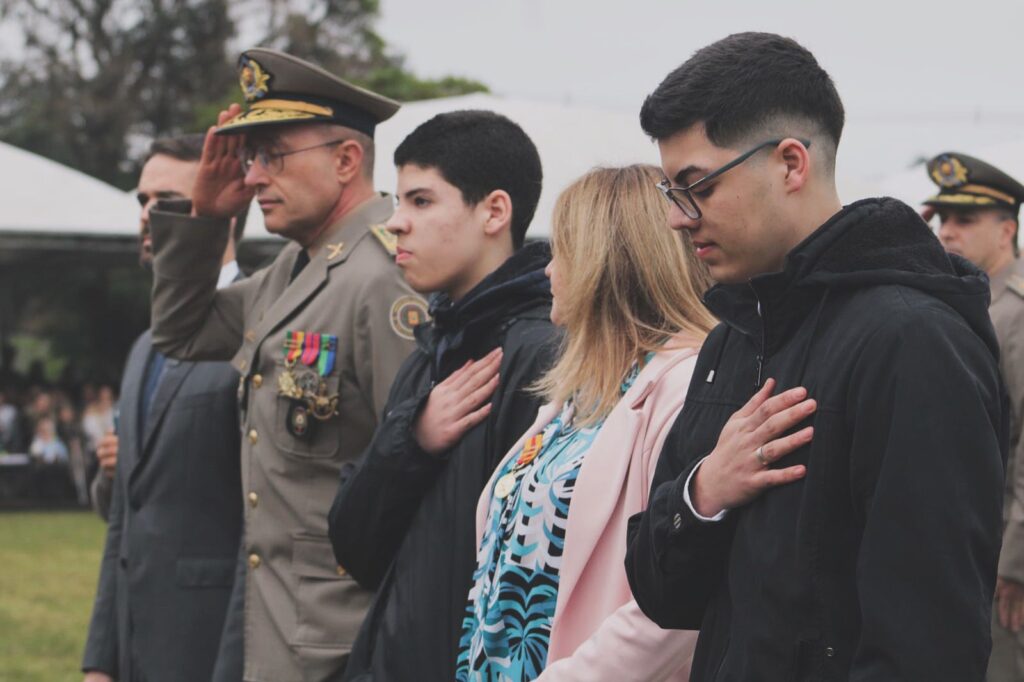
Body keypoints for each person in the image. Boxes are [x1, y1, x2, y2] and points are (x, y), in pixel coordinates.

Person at [624, 32, 1007, 681]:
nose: (677, 219)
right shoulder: (733, 339)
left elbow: (926, 646)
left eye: (697, 187)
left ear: (791, 164)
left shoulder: (911, 341)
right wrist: (703, 491)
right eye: (670, 192)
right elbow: (665, 596)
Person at [147, 48, 425, 682]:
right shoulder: (296, 268)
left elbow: (415, 480)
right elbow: (182, 331)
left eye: (272, 155)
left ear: (346, 160)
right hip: (281, 633)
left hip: (347, 640)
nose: (251, 178)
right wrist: (209, 219)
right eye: (249, 158)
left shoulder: (383, 276)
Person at [455, 165, 715, 681]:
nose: (548, 271)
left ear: (608, 261)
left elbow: (679, 596)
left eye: (562, 252)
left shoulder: (683, 386)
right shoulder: (580, 394)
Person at [327, 109, 558, 682]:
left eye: (421, 202)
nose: (395, 223)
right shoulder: (429, 351)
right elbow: (354, 548)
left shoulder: (543, 354)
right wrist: (413, 440)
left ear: (494, 211)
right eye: (397, 201)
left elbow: (536, 580)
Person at [81, 133, 246, 682]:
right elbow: (126, 521)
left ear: (224, 205)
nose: (149, 215)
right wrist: (101, 659)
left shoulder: (261, 330)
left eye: (168, 200)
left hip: (210, 647)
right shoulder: (144, 346)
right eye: (142, 200)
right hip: (134, 648)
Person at [921, 152, 1024, 682]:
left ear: (1007, 228)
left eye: (965, 220)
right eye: (941, 219)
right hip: (966, 546)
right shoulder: (967, 300)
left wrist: (1014, 563)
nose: (947, 232)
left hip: (1004, 553)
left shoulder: (1015, 311)